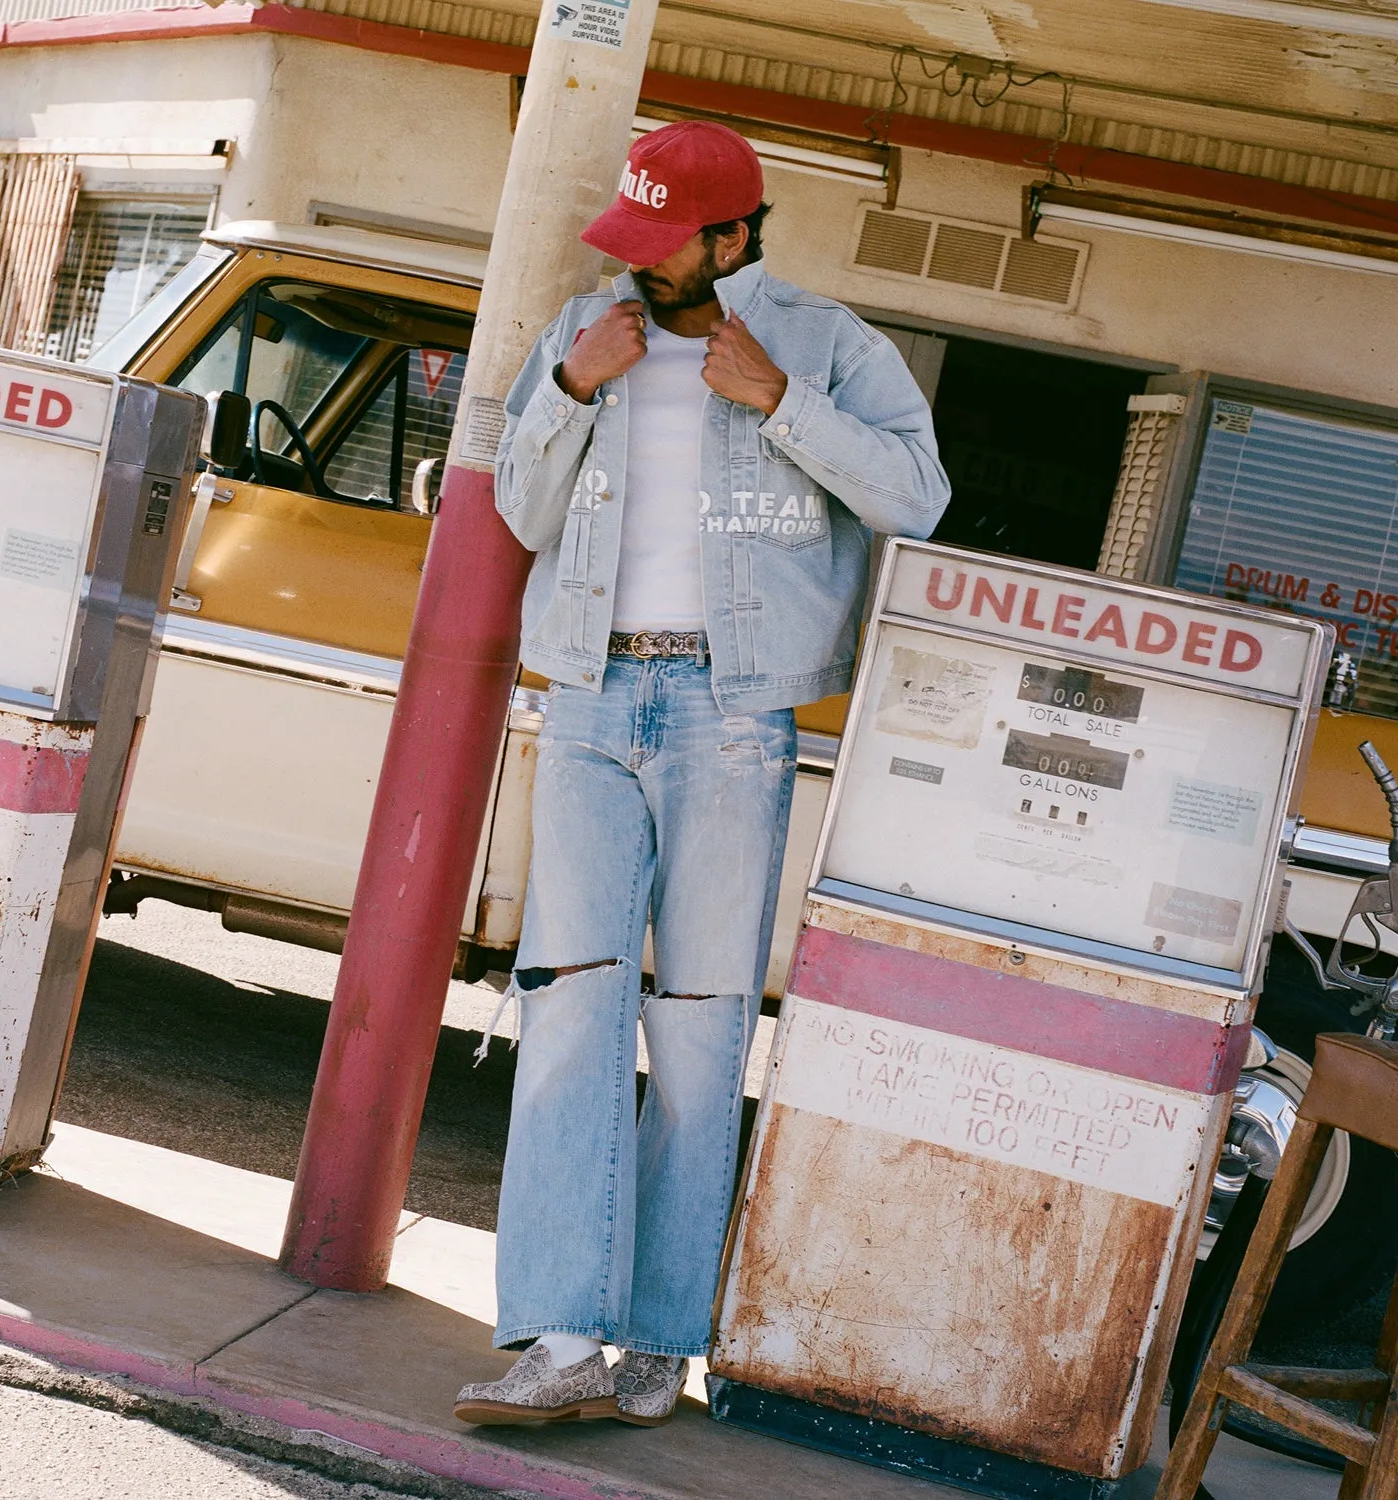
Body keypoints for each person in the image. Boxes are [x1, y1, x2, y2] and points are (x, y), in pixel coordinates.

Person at [454, 120, 951, 1429]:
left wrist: (782, 403)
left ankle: (656, 1341)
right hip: (591, 696)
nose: (631, 263)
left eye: (661, 238)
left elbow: (917, 493)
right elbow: (518, 509)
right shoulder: (589, 325)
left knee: (699, 1023)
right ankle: (560, 1337)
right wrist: (567, 390)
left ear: (734, 235)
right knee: (567, 1011)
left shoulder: (830, 345)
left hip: (734, 716)